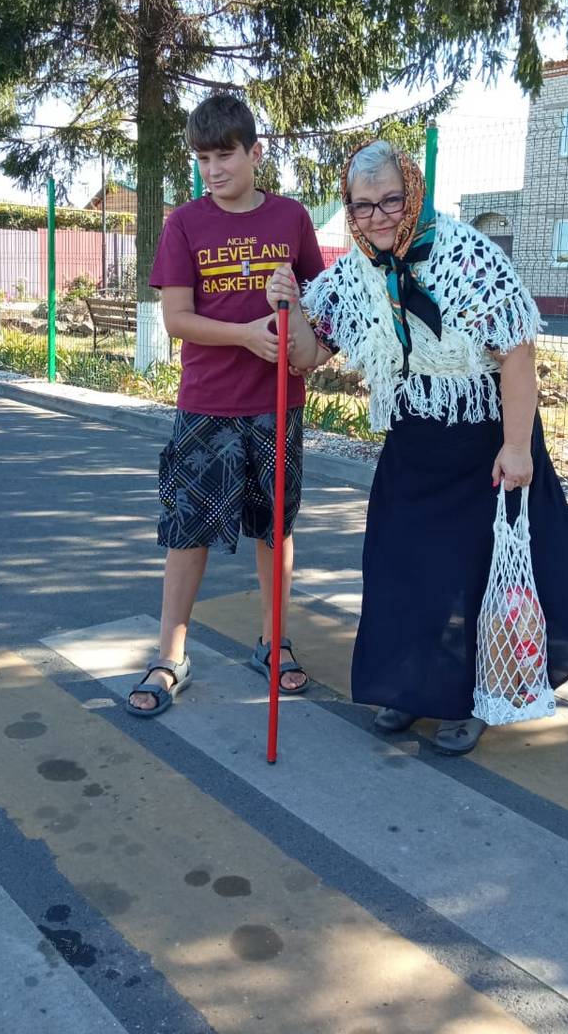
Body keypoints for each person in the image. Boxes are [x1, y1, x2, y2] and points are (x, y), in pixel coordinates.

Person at [266, 139, 568, 755]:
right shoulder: (355, 272)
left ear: (414, 193)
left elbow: (518, 352)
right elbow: (310, 355)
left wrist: (518, 448)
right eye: (362, 205)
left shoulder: (465, 255)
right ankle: (410, 688)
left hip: (483, 437)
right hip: (415, 435)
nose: (377, 216)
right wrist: (287, 310)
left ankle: (473, 700)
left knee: (470, 574)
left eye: (390, 200)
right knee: (400, 566)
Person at [127, 94, 324, 717]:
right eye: (203, 158)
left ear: (255, 152)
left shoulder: (291, 218)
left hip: (276, 403)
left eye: (225, 156)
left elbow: (319, 303)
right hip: (207, 403)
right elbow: (177, 319)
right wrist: (245, 335)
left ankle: (274, 641)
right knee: (188, 530)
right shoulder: (186, 223)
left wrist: (294, 309)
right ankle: (170, 655)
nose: (213, 170)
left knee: (275, 529)